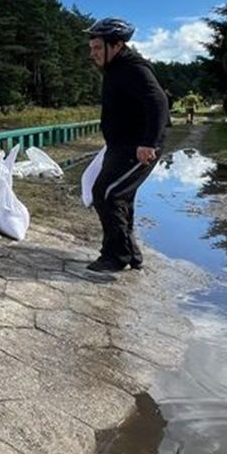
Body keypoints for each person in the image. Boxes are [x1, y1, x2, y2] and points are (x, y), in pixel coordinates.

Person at [84, 18, 169, 273]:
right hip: (121, 146)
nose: (93, 54)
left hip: (138, 147)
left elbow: (159, 102)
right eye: (92, 48)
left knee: (107, 194)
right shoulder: (117, 68)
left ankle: (116, 256)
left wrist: (148, 142)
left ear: (117, 45)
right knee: (120, 197)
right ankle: (131, 253)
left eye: (98, 48)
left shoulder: (132, 68)